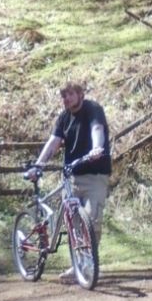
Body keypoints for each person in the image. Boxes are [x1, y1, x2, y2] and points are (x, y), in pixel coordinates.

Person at [35, 81, 111, 284]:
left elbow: (97, 129)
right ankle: (78, 264)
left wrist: (97, 148)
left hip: (95, 175)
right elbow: (54, 142)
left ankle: (91, 264)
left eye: (69, 94)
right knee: (73, 223)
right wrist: (39, 165)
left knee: (92, 219)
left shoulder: (93, 109)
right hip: (71, 177)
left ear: (80, 94)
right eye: (63, 96)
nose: (66, 99)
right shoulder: (64, 117)